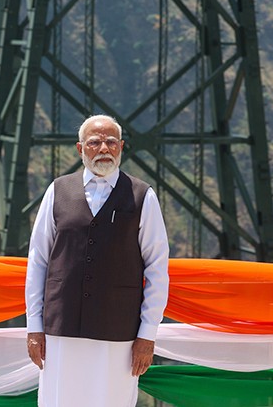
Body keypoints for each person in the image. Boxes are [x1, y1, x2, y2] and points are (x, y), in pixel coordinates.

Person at [25, 114, 169, 407]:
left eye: (111, 141)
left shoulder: (143, 196)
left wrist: (147, 335)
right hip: (60, 328)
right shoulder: (57, 191)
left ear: (121, 147)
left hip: (118, 332)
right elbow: (38, 260)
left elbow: (157, 268)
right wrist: (34, 327)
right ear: (80, 149)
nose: (104, 148)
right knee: (58, 400)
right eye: (94, 142)